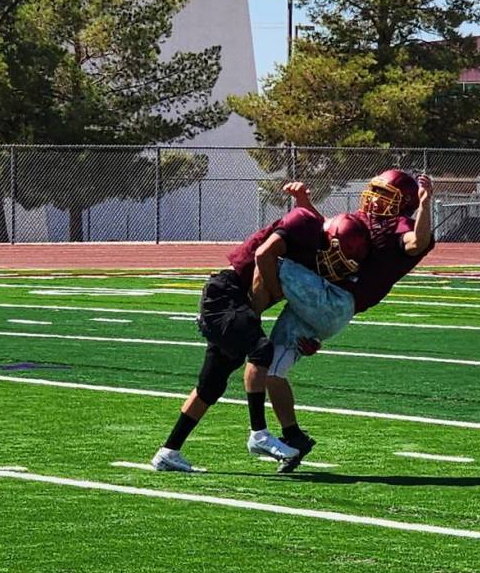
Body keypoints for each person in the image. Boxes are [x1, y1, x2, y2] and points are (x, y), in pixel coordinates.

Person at [150, 202, 370, 473]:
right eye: (338, 254)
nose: (336, 263)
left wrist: (309, 338)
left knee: (211, 386)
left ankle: (168, 452)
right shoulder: (304, 222)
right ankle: (258, 432)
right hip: (225, 295)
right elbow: (263, 257)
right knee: (261, 349)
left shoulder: (312, 255)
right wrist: (248, 321)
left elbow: (293, 303)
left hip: (235, 305)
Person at [264, 169, 436, 472]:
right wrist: (305, 202)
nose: (374, 199)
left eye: (385, 195)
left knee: (269, 256)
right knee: (271, 371)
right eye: (375, 191)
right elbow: (328, 233)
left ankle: (230, 311)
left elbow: (416, 243)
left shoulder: (402, 225)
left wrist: (425, 203)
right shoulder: (366, 220)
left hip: (334, 301)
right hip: (325, 301)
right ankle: (294, 436)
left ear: (403, 203)